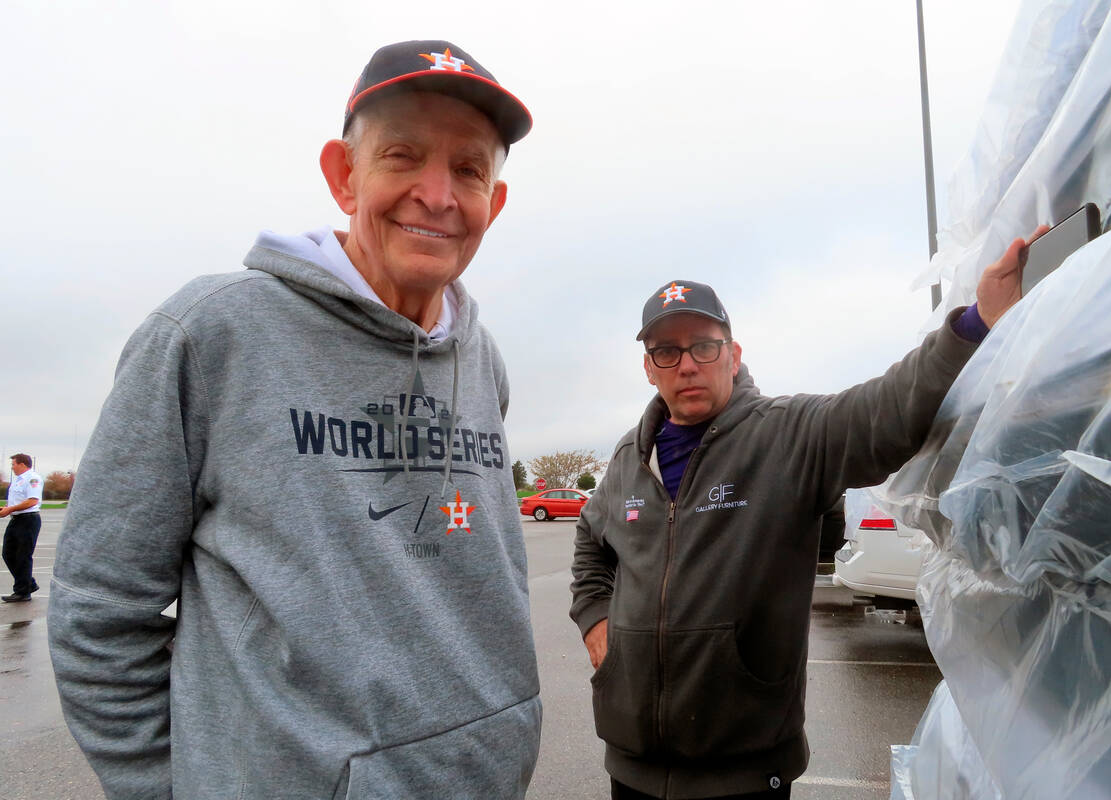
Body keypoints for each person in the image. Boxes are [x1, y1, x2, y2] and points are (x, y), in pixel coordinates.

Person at [48, 40, 541, 799]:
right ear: (344, 176)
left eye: (469, 169)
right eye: (403, 156)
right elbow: (99, 608)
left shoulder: (484, 361)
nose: (438, 195)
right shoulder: (209, 335)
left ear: (494, 203)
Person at [570, 232, 1042, 800]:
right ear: (649, 368)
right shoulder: (628, 458)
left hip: (744, 771)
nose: (686, 364)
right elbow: (590, 540)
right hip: (632, 767)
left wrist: (976, 322)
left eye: (704, 345)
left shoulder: (790, 434)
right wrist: (598, 623)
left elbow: (885, 409)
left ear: (734, 353)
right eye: (666, 351)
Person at [2, 454, 43, 602]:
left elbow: (32, 501)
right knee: (8, 553)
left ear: (23, 464)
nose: (12, 467)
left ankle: (22, 592)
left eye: (13, 464)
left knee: (23, 556)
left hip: (28, 520)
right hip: (16, 519)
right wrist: (7, 509)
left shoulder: (33, 478)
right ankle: (28, 583)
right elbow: (18, 501)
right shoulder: (18, 481)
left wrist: (10, 509)